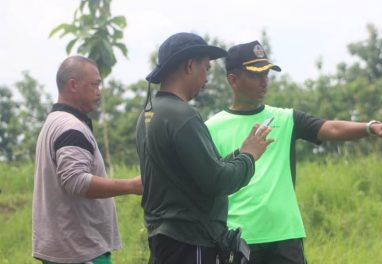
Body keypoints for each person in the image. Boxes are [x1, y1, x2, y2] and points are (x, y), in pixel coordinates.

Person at [205, 40, 382, 264]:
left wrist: (370, 127)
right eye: (256, 75)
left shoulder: (285, 119)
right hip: (238, 239)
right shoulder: (211, 128)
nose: (264, 81)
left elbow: (330, 128)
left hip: (285, 236)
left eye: (267, 73)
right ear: (233, 80)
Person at [135, 32, 273, 264]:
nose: (207, 78)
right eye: (206, 69)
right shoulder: (183, 116)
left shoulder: (149, 114)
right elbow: (218, 180)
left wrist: (239, 154)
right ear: (190, 65)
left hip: (164, 241)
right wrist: (249, 156)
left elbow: (192, 173)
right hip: (190, 243)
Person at [32, 55, 143, 264]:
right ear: (73, 85)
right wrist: (131, 185)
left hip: (67, 249)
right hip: (80, 251)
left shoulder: (54, 122)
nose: (99, 92)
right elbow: (76, 181)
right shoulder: (70, 127)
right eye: (95, 84)